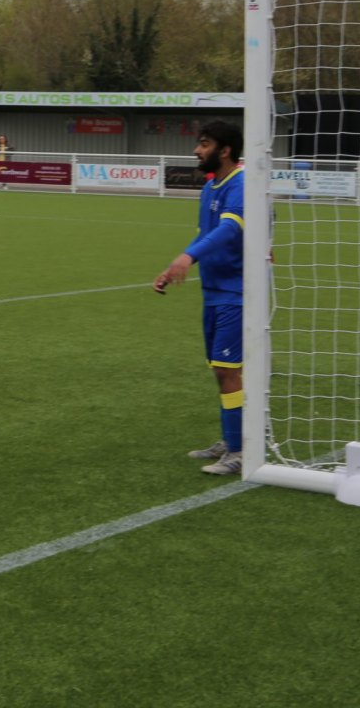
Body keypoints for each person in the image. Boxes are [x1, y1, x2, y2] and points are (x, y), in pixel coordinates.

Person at [153, 119, 246, 476]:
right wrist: (176, 264)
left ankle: (239, 450)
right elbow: (204, 232)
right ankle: (233, 437)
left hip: (238, 292)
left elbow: (229, 229)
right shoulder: (210, 186)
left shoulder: (241, 184)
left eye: (204, 144)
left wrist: (188, 257)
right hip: (213, 291)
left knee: (227, 370)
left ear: (225, 150)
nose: (197, 150)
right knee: (221, 370)